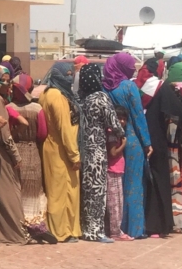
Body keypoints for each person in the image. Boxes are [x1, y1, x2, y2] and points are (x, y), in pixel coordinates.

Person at [102, 53, 151, 240]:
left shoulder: (104, 87)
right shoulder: (129, 87)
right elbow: (138, 116)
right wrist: (147, 142)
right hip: (131, 140)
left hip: (111, 141)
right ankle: (135, 228)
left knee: (115, 188)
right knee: (133, 185)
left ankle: (116, 227)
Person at [76, 62, 121, 243]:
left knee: (85, 190)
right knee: (97, 190)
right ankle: (95, 231)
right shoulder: (101, 98)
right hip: (97, 150)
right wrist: (121, 134)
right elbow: (114, 123)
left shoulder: (81, 99)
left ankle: (84, 228)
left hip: (82, 149)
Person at [0, 65, 28, 245]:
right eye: (4, 81)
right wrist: (16, 156)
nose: (7, 85)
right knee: (9, 195)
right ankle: (15, 234)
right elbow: (4, 134)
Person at [39, 62, 81, 242]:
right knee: (61, 194)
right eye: (67, 74)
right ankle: (61, 232)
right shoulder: (57, 97)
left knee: (59, 191)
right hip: (61, 150)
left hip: (51, 148)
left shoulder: (46, 93)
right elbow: (65, 128)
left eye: (71, 74)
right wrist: (74, 155)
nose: (70, 78)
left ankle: (66, 229)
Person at [145, 63, 182, 236]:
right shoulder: (161, 87)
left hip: (136, 138)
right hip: (157, 138)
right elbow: (178, 110)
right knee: (159, 179)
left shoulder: (133, 85)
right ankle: (159, 224)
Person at [9, 73, 47, 236]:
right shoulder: (37, 109)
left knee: (18, 188)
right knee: (34, 188)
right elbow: (42, 133)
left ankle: (19, 225)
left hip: (14, 151)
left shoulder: (9, 107)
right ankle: (34, 224)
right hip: (32, 151)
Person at [105, 109, 130, 240]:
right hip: (112, 171)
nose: (122, 121)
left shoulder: (117, 132)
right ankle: (115, 232)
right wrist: (124, 145)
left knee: (117, 203)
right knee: (115, 204)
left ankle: (115, 230)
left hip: (116, 171)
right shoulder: (113, 133)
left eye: (124, 119)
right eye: (119, 118)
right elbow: (113, 153)